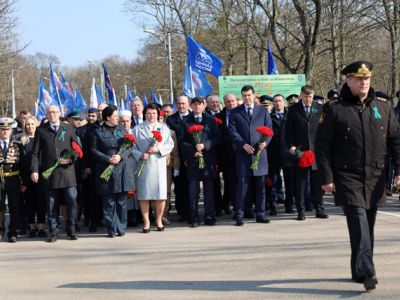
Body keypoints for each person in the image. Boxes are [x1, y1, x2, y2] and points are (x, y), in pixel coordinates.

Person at [316, 61, 400, 291]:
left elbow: (395, 141)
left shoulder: (383, 108)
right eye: (359, 78)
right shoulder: (334, 109)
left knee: (367, 226)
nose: (364, 82)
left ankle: (358, 269)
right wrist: (326, 177)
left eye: (367, 78)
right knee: (359, 223)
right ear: (348, 81)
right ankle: (368, 273)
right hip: (347, 176)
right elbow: (322, 146)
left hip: (375, 176)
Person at [31, 105, 80, 242]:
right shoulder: (41, 131)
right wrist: (34, 170)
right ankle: (53, 231)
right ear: (46, 114)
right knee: (51, 204)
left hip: (67, 173)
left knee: (71, 199)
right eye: (50, 112)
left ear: (60, 113)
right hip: (50, 173)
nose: (52, 114)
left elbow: (77, 148)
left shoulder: (68, 128)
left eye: (55, 112)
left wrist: (71, 158)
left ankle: (71, 228)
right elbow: (35, 154)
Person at [228, 85, 273, 226]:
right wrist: (243, 144)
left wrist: (264, 143)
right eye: (244, 95)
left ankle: (260, 214)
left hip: (260, 154)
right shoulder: (235, 112)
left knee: (260, 187)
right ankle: (239, 214)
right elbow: (232, 131)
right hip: (243, 154)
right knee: (242, 186)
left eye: (249, 95)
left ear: (253, 95)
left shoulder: (263, 111)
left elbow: (269, 129)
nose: (246, 98)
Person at [285, 85, 329, 221]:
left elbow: (325, 130)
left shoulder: (320, 108)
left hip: (316, 152)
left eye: (310, 96)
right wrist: (291, 146)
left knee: (317, 183)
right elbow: (288, 132)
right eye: (305, 96)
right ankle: (301, 210)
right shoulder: (293, 110)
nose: (308, 99)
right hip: (301, 152)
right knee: (301, 184)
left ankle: (320, 209)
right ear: (301, 96)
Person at [92, 105, 135, 237]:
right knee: (109, 202)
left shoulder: (122, 130)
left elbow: (129, 147)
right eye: (116, 116)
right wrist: (107, 159)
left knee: (122, 201)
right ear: (108, 117)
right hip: (106, 169)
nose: (118, 118)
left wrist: (120, 156)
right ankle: (111, 228)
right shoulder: (98, 131)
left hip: (121, 169)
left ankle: (121, 228)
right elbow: (93, 150)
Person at [132, 103, 174, 232]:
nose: (151, 116)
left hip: (159, 164)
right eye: (149, 113)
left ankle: (159, 219)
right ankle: (146, 221)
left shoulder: (164, 128)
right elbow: (131, 147)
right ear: (144, 114)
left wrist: (158, 149)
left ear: (158, 114)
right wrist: (139, 155)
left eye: (154, 113)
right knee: (145, 195)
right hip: (144, 165)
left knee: (160, 194)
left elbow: (170, 144)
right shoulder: (137, 129)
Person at [182, 97, 220, 227]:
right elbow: (182, 141)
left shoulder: (210, 119)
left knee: (209, 191)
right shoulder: (186, 121)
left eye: (200, 104)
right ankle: (194, 217)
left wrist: (205, 145)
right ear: (191, 106)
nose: (197, 107)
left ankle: (209, 216)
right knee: (193, 191)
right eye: (195, 104)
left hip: (208, 159)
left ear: (204, 106)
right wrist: (193, 151)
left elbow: (216, 138)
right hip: (193, 159)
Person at [20, 116, 47, 238]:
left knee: (41, 202)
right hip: (26, 177)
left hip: (41, 175)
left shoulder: (41, 138)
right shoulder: (21, 140)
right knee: (29, 203)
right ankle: (31, 227)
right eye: (28, 124)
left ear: (36, 125)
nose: (30, 126)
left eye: (32, 124)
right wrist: (23, 180)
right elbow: (21, 162)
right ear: (25, 126)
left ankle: (41, 227)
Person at [166, 95, 192, 222]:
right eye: (179, 103)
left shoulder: (193, 118)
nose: (181, 106)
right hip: (176, 157)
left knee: (191, 185)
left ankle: (192, 211)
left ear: (188, 104)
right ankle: (182, 212)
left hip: (192, 157)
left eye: (184, 103)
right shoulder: (170, 119)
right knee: (179, 186)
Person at [0, 118, 23, 242]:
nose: (5, 131)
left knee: (14, 207)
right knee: (0, 207)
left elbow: (23, 164)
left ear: (11, 130)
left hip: (13, 178)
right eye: (2, 129)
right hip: (0, 178)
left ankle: (13, 232)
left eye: (7, 129)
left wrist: (23, 181)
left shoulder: (17, 144)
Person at [216, 93, 238, 215]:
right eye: (228, 101)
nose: (231, 103)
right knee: (230, 181)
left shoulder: (242, 113)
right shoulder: (219, 117)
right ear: (224, 103)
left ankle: (242, 205)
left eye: (233, 101)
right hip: (226, 155)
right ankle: (233, 206)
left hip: (242, 153)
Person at [267, 94, 287, 215]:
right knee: (273, 180)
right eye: (275, 101)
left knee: (289, 180)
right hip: (273, 153)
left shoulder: (290, 115)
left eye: (280, 101)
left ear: (283, 102)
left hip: (288, 153)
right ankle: (273, 205)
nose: (278, 103)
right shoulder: (269, 117)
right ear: (273, 103)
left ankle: (289, 205)